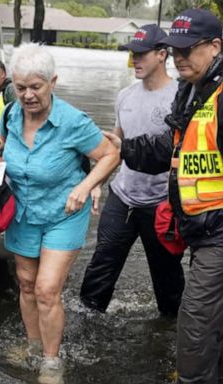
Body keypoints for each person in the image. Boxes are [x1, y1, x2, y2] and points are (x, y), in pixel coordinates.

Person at [0, 43, 119, 384]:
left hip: (63, 213)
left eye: (36, 87)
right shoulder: (11, 113)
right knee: (26, 284)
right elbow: (2, 140)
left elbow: (110, 155)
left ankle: (52, 361)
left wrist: (85, 187)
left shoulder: (72, 121)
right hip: (24, 210)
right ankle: (33, 345)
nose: (28, 95)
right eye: (21, 87)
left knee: (46, 289)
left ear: (53, 82)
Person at [104, 9, 223, 384]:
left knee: (195, 322)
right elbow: (168, 150)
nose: (180, 57)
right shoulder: (191, 91)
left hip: (218, 233)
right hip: (198, 227)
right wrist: (119, 148)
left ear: (216, 46)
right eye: (175, 50)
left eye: (189, 49)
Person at [80, 24, 185, 318]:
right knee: (99, 271)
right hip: (122, 197)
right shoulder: (124, 96)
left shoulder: (180, 97)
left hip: (160, 204)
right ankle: (85, 324)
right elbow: (115, 148)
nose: (134, 60)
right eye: (132, 54)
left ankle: (171, 333)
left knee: (168, 285)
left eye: (141, 54)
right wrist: (98, 182)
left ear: (162, 54)